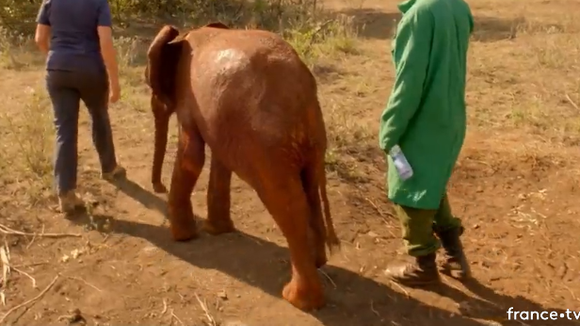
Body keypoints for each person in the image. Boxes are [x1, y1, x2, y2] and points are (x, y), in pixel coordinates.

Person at [378, 0, 474, 285]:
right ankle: (454, 254)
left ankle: (423, 264)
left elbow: (409, 82)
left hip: (421, 120)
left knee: (407, 187)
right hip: (450, 115)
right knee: (431, 182)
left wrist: (390, 128)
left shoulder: (421, 15)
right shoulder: (458, 6)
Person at [34, 0, 126, 213]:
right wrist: (115, 82)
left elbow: (39, 39)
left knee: (64, 131)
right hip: (90, 69)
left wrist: (56, 58)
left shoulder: (50, 1)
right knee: (99, 114)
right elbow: (105, 42)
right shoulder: (98, 2)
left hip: (57, 70)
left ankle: (65, 193)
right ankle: (109, 168)